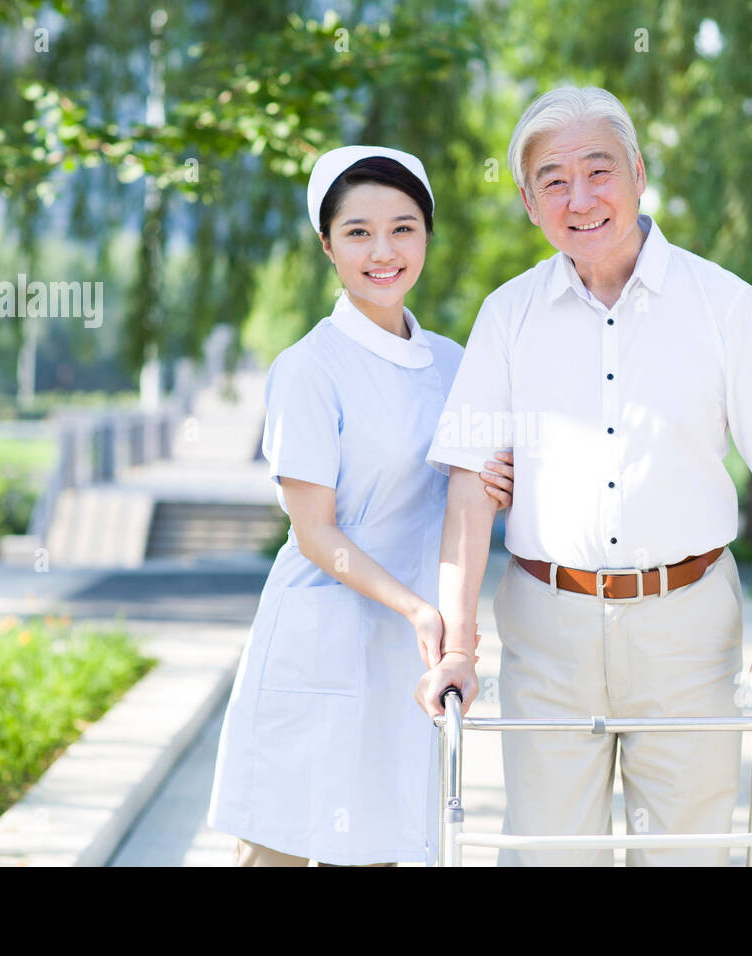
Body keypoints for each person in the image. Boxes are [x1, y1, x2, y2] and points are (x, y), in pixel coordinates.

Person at [417, 87, 752, 866]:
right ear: (531, 205)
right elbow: (469, 485)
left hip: (688, 624)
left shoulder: (725, 305)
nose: (581, 197)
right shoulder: (506, 314)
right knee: (548, 855)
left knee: (689, 856)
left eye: (598, 170)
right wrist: (459, 646)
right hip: (546, 625)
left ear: (637, 171)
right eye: (553, 181)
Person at [207, 145, 515, 867]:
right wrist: (416, 609)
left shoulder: (453, 362)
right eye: (358, 232)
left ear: (428, 236)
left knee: (380, 844)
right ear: (326, 244)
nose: (384, 251)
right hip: (323, 632)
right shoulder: (309, 367)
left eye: (404, 228)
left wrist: (499, 488)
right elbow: (315, 531)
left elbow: (464, 494)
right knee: (276, 850)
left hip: (408, 654)